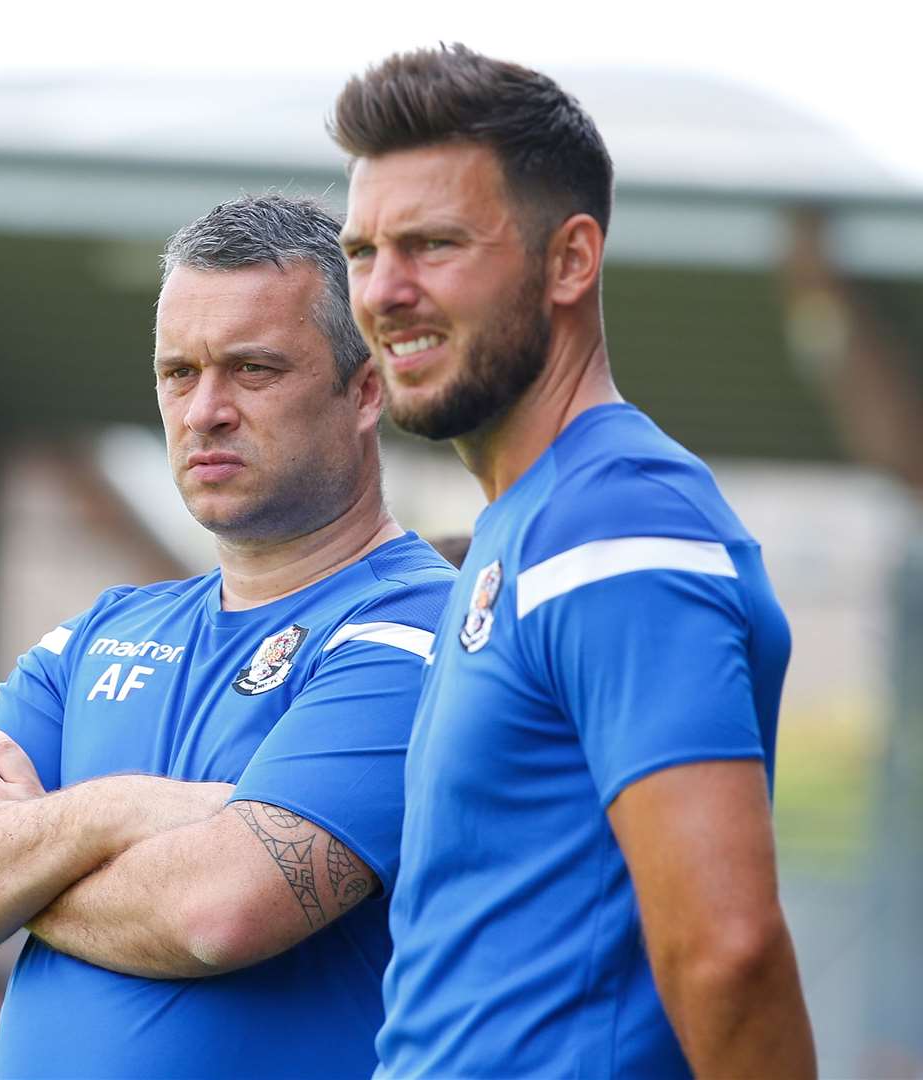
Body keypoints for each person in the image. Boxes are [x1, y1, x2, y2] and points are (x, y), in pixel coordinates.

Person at [0, 193, 454, 1079]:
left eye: (253, 371)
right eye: (179, 373)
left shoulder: (422, 627)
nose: (204, 410)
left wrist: (14, 860)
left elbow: (219, 913)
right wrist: (117, 809)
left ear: (364, 391)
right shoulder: (100, 634)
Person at [332, 45, 817, 1078]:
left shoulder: (616, 523)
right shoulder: (532, 523)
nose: (384, 291)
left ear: (569, 260)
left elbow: (726, 950)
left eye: (431, 244)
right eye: (362, 251)